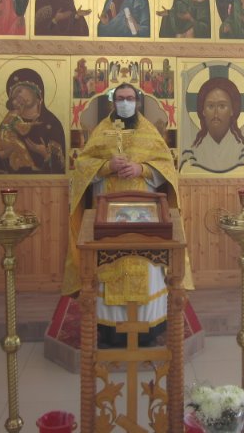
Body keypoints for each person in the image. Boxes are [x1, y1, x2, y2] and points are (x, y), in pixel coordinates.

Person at [60, 83, 183, 347]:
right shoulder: (102, 131)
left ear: (137, 102)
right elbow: (82, 166)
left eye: (129, 98)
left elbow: (167, 167)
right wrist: (106, 166)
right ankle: (110, 329)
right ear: (113, 102)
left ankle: (148, 328)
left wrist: (142, 169)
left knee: (145, 264)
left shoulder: (149, 132)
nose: (125, 103)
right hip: (107, 218)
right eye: (120, 99)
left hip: (146, 218)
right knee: (109, 266)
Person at [0, 68, 66, 174]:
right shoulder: (10, 121)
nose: (18, 96)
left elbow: (61, 168)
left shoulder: (52, 123)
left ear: (36, 90)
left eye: (19, 91)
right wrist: (5, 153)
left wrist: (45, 154)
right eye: (14, 95)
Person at [179, 77, 244, 173]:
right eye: (210, 106)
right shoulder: (193, 152)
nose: (216, 114)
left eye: (222, 106)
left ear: (232, 110)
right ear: (203, 111)